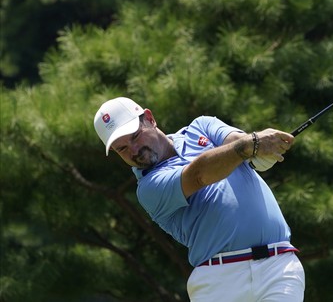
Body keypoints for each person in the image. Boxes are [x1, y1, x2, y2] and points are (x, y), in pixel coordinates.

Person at [93, 97, 305, 301]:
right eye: (122, 148)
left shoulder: (201, 126)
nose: (134, 150)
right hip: (219, 281)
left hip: (279, 266)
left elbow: (240, 142)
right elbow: (199, 175)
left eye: (135, 136)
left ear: (149, 118)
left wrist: (261, 149)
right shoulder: (149, 188)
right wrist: (249, 145)